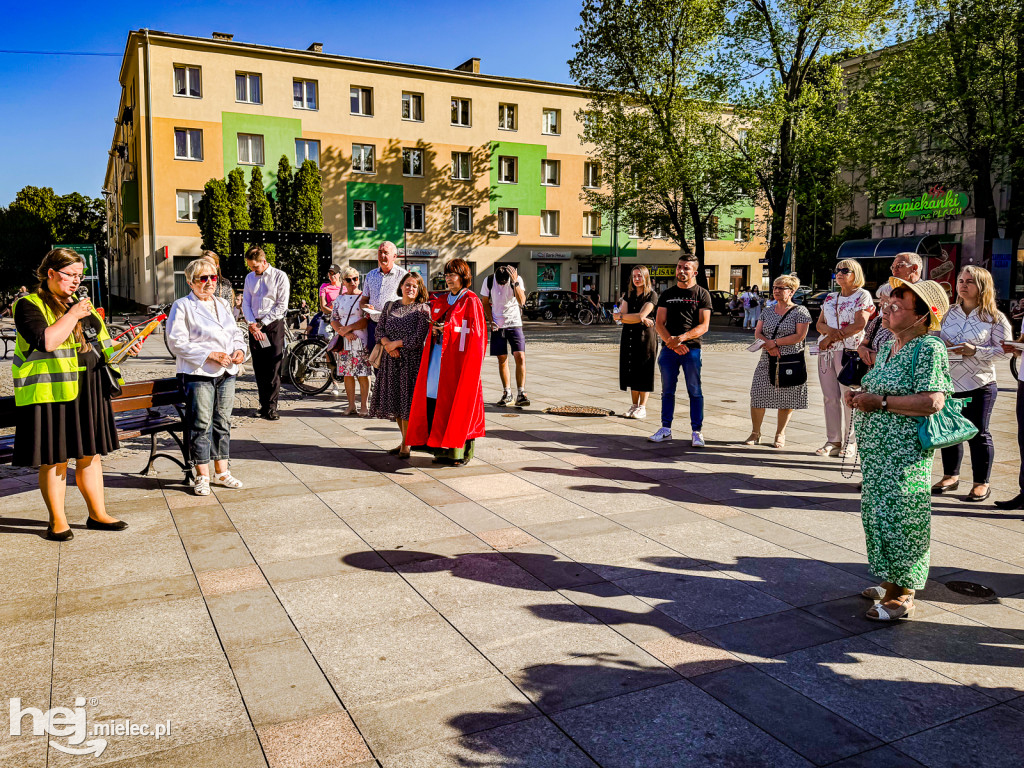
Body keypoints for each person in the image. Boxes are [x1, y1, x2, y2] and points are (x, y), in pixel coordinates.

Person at [846, 279, 952, 621]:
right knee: (880, 516)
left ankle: (904, 593)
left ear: (923, 316)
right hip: (879, 456)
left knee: (904, 517)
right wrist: (862, 396)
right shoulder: (893, 345)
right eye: (887, 305)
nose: (887, 311)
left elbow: (933, 401)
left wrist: (882, 402)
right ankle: (892, 579)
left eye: (897, 306)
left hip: (903, 455)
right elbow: (882, 391)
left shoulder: (928, 348)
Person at [11, 250, 129, 541]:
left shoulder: (79, 305)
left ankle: (98, 514)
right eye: (70, 274)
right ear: (51, 273)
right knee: (56, 459)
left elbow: (102, 347)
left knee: (90, 454)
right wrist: (73, 313)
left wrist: (125, 348)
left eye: (79, 275)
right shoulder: (28, 304)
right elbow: (48, 340)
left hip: (88, 389)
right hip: (52, 393)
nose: (76, 281)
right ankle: (58, 521)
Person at [166, 258, 247, 496]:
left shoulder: (222, 303)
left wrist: (240, 349)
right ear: (191, 282)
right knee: (201, 424)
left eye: (213, 277)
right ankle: (201, 475)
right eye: (203, 278)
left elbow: (235, 333)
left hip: (227, 371)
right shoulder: (182, 305)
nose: (210, 282)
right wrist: (210, 354)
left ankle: (222, 472)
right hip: (199, 372)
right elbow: (176, 342)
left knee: (223, 422)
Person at [931, 267, 1011, 502]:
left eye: (970, 282)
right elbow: (933, 337)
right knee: (949, 432)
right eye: (961, 281)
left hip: (979, 382)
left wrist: (975, 350)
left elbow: (1004, 351)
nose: (963, 285)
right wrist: (940, 341)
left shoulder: (995, 317)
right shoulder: (946, 313)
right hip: (948, 382)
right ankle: (950, 476)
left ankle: (981, 483)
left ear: (982, 286)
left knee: (979, 433)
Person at [407, 258, 486, 466]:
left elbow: (477, 335)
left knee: (459, 403)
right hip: (437, 359)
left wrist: (448, 330)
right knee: (434, 400)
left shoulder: (471, 300)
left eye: (453, 274)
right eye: (447, 275)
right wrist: (434, 330)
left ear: (463, 276)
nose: (449, 279)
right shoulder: (442, 300)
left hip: (459, 362)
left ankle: (461, 452)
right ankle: (439, 449)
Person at [649, 254, 713, 446]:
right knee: (667, 390)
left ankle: (696, 431)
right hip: (669, 349)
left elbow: (704, 325)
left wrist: (682, 339)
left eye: (686, 268)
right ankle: (666, 429)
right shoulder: (667, 294)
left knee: (695, 390)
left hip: (691, 349)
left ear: (695, 272)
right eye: (679, 267)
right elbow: (659, 323)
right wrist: (672, 342)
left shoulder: (702, 294)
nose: (681, 271)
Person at [368, 273, 432, 456]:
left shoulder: (422, 309)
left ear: (419, 289)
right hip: (390, 361)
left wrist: (395, 344)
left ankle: (406, 443)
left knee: (407, 405)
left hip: (410, 363)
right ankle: (404, 440)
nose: (410, 288)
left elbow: (418, 339)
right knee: (395, 402)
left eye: (414, 286)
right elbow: (379, 330)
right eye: (407, 285)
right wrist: (388, 346)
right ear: (401, 286)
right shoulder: (390, 306)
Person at [815, 259, 873, 456]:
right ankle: (833, 440)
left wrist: (829, 337)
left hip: (850, 351)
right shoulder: (830, 297)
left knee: (849, 397)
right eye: (837, 270)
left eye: (845, 270)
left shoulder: (862, 295)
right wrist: (829, 336)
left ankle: (850, 441)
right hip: (827, 351)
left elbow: (859, 325)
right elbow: (819, 324)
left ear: (855, 274)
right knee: (829, 397)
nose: (839, 273)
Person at [746, 274, 812, 448]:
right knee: (758, 394)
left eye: (780, 288)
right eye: (774, 287)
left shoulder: (801, 311)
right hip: (767, 357)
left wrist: (775, 343)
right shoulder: (767, 311)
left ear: (792, 291)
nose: (776, 291)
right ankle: (755, 432)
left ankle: (780, 433)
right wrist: (770, 347)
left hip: (790, 359)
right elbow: (758, 333)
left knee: (787, 396)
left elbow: (799, 336)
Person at [242, 246, 290, 420]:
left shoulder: (279, 276)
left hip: (272, 326)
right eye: (251, 267)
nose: (253, 270)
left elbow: (281, 305)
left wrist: (262, 323)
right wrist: (252, 324)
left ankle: (272, 407)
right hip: (255, 326)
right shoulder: (249, 278)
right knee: (259, 367)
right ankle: (263, 405)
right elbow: (245, 303)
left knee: (273, 367)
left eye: (255, 267)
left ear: (263, 261)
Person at [858, 252, 923, 367]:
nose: (894, 270)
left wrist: (878, 358)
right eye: (893, 267)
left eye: (900, 265)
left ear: (914, 268)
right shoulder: (891, 295)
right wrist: (864, 350)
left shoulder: (925, 295)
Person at [480, 264, 529, 407]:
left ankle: (521, 393)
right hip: (498, 324)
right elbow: (484, 302)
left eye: (504, 283)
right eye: (500, 282)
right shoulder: (488, 280)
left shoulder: (516, 279)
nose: (502, 285)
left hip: (514, 323)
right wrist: (490, 320)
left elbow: (522, 301)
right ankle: (507, 393)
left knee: (520, 356)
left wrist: (515, 283)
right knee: (502, 358)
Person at [614, 266, 658, 419]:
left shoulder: (651, 295)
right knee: (631, 369)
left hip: (646, 337)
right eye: (634, 276)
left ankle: (642, 407)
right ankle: (634, 405)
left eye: (639, 276)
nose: (636, 279)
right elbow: (618, 316)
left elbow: (639, 315)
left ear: (645, 277)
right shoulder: (629, 295)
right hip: (629, 335)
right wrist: (633, 317)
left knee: (644, 370)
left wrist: (627, 317)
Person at [331, 267, 371, 415]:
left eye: (355, 278)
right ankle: (351, 405)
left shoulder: (363, 298)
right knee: (348, 374)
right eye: (348, 279)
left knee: (362, 373)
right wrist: (345, 333)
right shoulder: (340, 299)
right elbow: (333, 319)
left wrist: (348, 328)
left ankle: (364, 406)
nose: (352, 282)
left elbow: (366, 320)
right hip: (345, 342)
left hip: (361, 340)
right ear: (343, 282)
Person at [361, 241, 408, 345]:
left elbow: (409, 303)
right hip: (374, 326)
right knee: (373, 359)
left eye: (386, 253)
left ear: (394, 256)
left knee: (391, 359)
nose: (382, 255)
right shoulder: (370, 275)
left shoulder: (403, 276)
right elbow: (363, 301)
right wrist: (366, 306)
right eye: (380, 252)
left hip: (394, 327)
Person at [309, 265, 342, 338]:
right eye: (330, 273)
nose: (332, 276)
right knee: (324, 341)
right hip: (328, 318)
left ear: (339, 274)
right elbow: (323, 307)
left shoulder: (344, 287)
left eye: (334, 273)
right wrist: (334, 313)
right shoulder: (324, 286)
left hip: (342, 319)